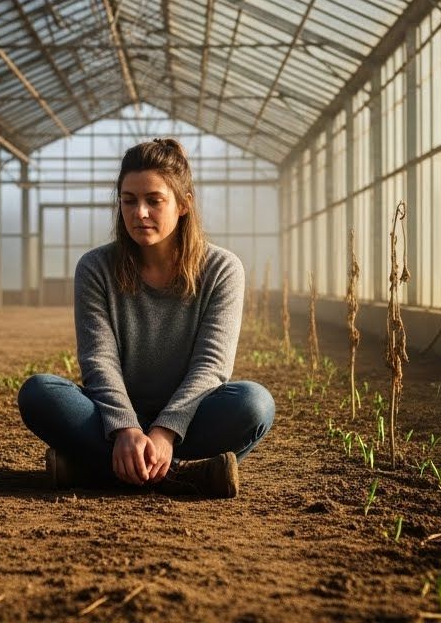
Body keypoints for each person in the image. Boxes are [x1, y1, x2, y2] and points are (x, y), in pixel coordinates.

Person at [17, 138, 274, 498]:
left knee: (254, 404)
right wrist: (125, 429)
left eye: (154, 201)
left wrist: (166, 431)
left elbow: (211, 367)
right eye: (129, 200)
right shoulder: (96, 268)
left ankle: (95, 471)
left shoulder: (222, 269)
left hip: (193, 417)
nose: (140, 212)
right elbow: (98, 360)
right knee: (38, 393)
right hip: (109, 418)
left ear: (184, 204)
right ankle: (186, 476)